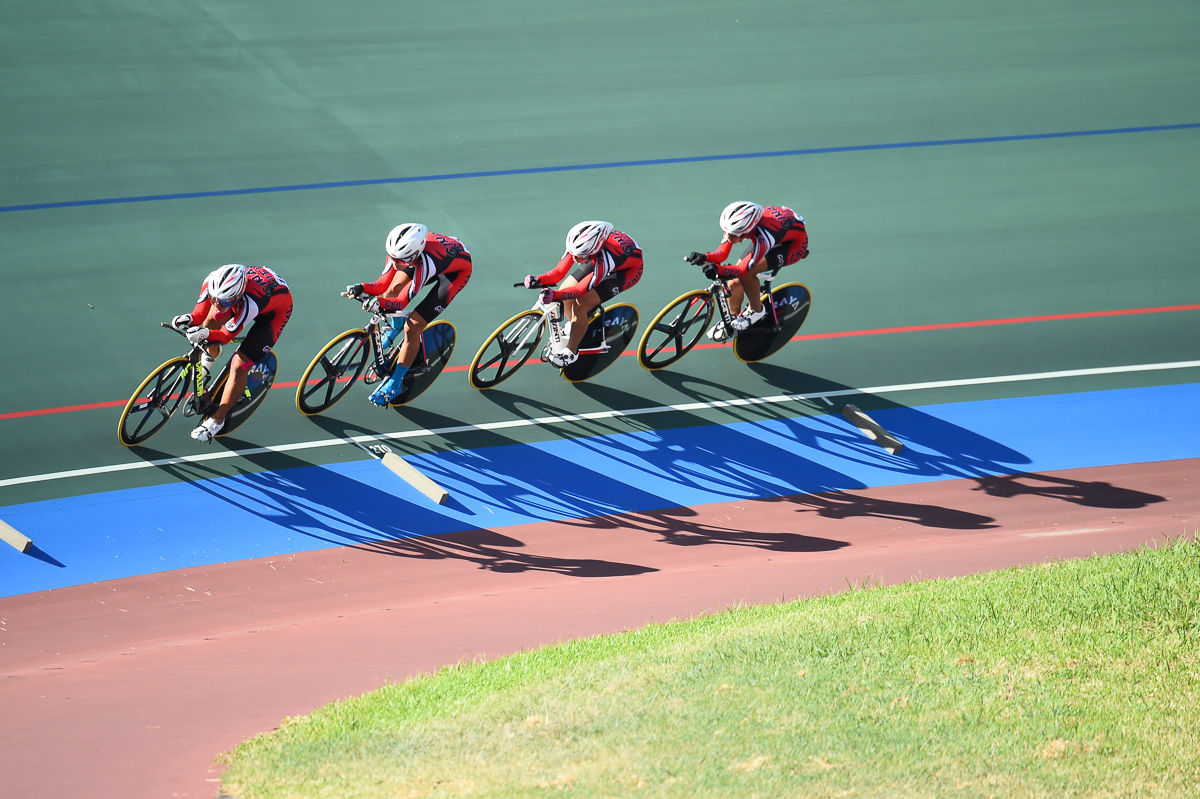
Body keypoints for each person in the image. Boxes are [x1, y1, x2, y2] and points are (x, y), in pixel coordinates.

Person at [346, 223, 472, 406]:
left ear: (414, 256)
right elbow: (382, 285)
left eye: (400, 261)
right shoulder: (398, 252)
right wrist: (362, 287)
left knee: (412, 326)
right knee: (390, 291)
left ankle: (395, 383)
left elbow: (402, 302)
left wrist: (378, 303)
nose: (394, 264)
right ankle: (394, 329)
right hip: (435, 256)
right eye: (392, 258)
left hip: (455, 273)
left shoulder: (426, 263)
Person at [170, 263, 293, 442]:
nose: (218, 304)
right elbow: (200, 314)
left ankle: (216, 421)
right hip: (250, 295)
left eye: (225, 302)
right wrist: (188, 318)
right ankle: (212, 354)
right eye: (214, 299)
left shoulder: (251, 302)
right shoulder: (214, 284)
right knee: (213, 318)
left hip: (275, 313)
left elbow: (226, 336)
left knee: (239, 365)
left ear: (238, 293)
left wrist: (205, 333)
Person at [522, 221, 644, 366]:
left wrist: (555, 295)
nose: (575, 259)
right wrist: (539, 279)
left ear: (593, 250)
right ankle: (579, 323)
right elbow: (559, 272)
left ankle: (572, 352)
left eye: (579, 256)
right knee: (565, 288)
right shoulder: (581, 245)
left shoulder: (605, 258)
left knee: (581, 304)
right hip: (598, 257)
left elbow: (580, 291)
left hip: (626, 272)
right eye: (573, 254)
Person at [685, 201, 809, 340]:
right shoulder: (737, 226)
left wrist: (718, 269)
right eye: (728, 233)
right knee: (733, 283)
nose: (729, 238)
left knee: (747, 274)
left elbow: (741, 271)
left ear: (748, 229)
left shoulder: (764, 237)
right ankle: (731, 320)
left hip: (793, 246)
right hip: (780, 231)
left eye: (734, 235)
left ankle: (756, 311)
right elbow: (722, 253)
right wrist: (705, 256)